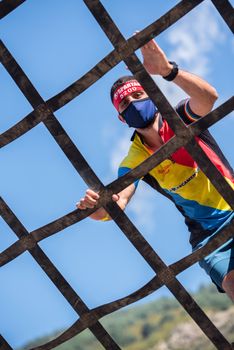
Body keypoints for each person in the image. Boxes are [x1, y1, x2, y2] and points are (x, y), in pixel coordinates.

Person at [76, 39, 234, 301]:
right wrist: (94, 208)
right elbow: (117, 203)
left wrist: (167, 70)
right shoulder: (134, 159)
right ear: (121, 117)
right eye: (125, 103)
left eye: (137, 95)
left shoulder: (179, 118)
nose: (133, 103)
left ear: (152, 95)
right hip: (209, 237)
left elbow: (208, 98)